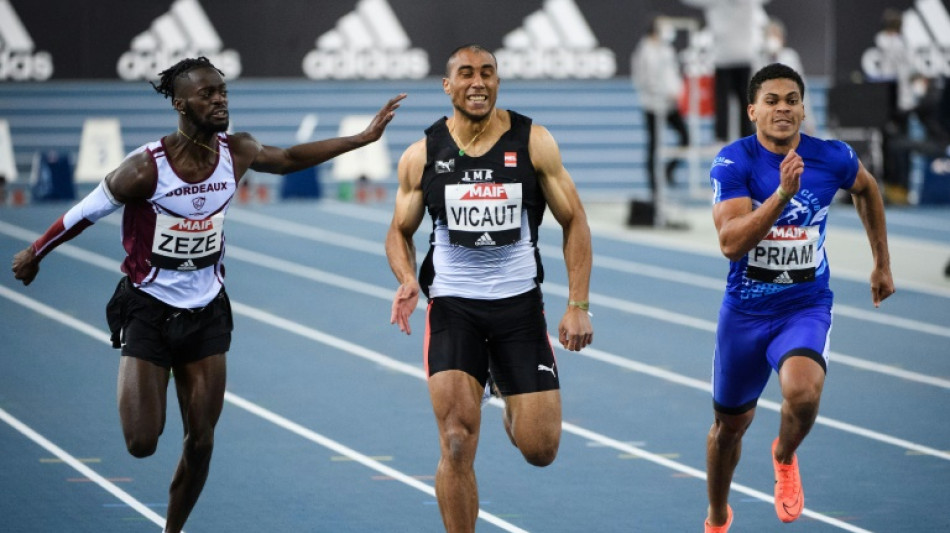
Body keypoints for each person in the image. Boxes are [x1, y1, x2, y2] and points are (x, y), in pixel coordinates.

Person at [11, 57, 404, 533]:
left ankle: (172, 530)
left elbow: (290, 159)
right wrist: (36, 251)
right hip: (149, 308)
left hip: (207, 309)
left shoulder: (236, 151)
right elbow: (84, 213)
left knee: (201, 440)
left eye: (223, 92)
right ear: (180, 105)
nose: (220, 101)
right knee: (142, 442)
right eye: (207, 94)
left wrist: (361, 139)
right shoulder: (144, 169)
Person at [385, 44, 593, 532]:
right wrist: (408, 278)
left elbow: (574, 220)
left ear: (498, 81)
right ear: (447, 85)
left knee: (540, 449)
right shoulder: (423, 154)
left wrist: (578, 304)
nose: (477, 82)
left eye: (487, 73)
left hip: (519, 310)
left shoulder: (533, 141)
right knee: (456, 440)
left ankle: (505, 391)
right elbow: (399, 230)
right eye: (465, 74)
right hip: (455, 307)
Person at [703, 63, 894, 532]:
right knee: (729, 428)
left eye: (792, 100)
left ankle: (784, 455)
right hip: (745, 313)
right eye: (771, 100)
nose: (783, 109)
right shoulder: (735, 162)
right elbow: (730, 243)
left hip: (804, 306)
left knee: (803, 394)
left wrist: (881, 262)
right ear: (753, 110)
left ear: (804, 109)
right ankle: (716, 516)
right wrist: (782, 195)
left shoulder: (833, 157)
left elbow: (867, 190)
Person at [681, 0, 770, 142]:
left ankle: (734, 135)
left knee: (742, 102)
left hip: (738, 58)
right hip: (727, 59)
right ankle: (725, 136)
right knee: (727, 102)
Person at [632, 15, 690, 197]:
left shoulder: (667, 50)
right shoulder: (644, 52)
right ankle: (654, 188)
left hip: (670, 105)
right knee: (654, 145)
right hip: (652, 105)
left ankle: (668, 170)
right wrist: (661, 93)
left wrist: (677, 92)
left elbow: (672, 74)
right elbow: (643, 80)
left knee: (685, 137)